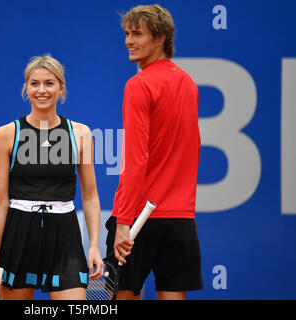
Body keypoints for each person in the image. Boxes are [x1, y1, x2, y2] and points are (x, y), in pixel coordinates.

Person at [0, 54, 104, 300]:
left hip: (65, 235)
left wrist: (94, 245)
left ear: (61, 88)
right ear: (26, 88)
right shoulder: (6, 134)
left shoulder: (80, 134)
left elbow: (90, 196)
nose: (42, 90)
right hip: (19, 234)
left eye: (49, 83)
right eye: (34, 83)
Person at [106, 4, 203, 300]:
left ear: (160, 38)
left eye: (138, 34)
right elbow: (191, 149)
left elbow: (135, 159)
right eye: (127, 34)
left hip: (138, 221)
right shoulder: (188, 83)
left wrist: (123, 222)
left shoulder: (138, 85)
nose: (129, 41)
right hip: (181, 221)